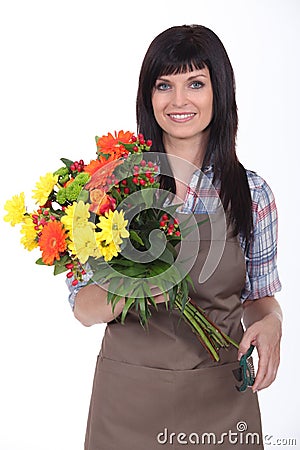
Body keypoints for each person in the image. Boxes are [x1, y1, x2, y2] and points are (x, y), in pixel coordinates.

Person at [67, 25, 282, 449]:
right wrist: (146, 285)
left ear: (219, 92)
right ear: (148, 95)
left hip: (223, 404)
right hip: (127, 405)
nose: (179, 101)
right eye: (164, 85)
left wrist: (271, 321)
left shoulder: (252, 194)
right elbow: (84, 307)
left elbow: (259, 295)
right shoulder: (108, 190)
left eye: (196, 84)